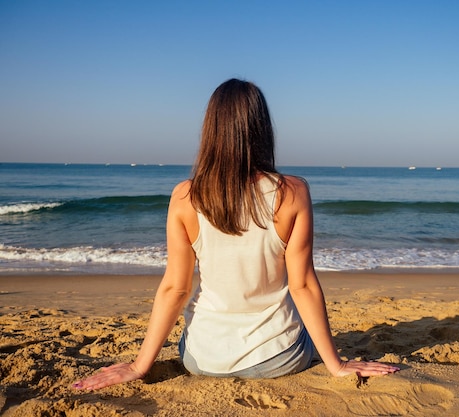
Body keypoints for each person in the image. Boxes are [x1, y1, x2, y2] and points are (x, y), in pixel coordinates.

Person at [72, 79, 399, 390]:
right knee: (297, 316)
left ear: (211, 129)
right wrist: (336, 365)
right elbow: (302, 285)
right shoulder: (293, 192)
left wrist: (139, 366)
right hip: (278, 358)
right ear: (262, 129)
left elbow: (175, 288)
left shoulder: (185, 196)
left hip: (202, 359)